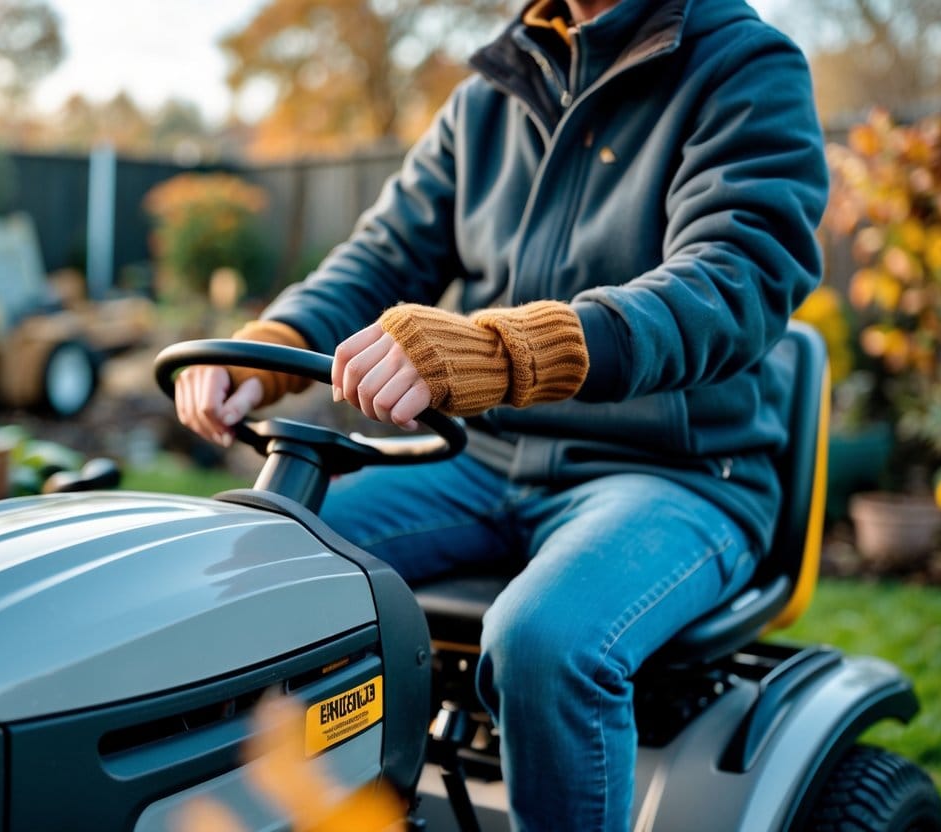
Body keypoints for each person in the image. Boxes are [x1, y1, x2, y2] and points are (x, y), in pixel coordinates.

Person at [175, 0, 828, 828]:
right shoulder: (489, 96)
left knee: (545, 639)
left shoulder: (743, 69)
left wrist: (502, 350)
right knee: (248, 565)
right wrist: (267, 345)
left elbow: (731, 283)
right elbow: (382, 257)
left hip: (673, 476)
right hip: (481, 464)